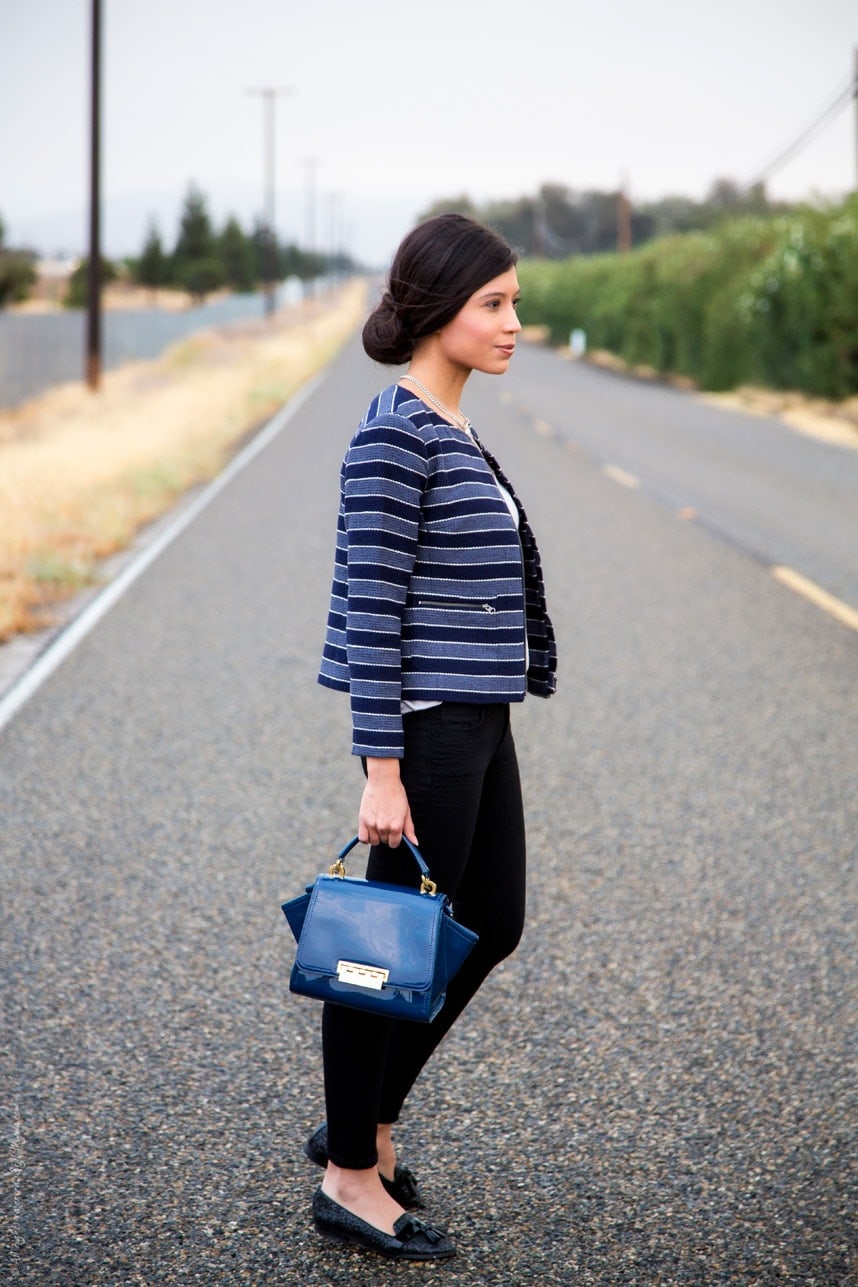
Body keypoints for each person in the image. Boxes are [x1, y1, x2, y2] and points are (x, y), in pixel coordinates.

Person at [310, 213, 557, 1261]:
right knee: (382, 955)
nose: (513, 322)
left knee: (489, 922)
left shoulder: (452, 431)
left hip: (480, 719)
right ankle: (350, 1175)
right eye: (492, 303)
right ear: (438, 310)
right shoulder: (392, 436)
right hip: (427, 730)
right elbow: (373, 610)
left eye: (512, 301)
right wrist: (382, 770)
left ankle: (362, 1121)